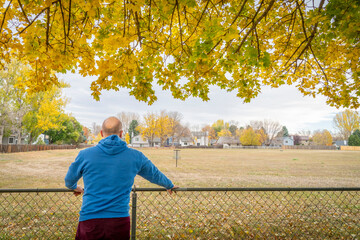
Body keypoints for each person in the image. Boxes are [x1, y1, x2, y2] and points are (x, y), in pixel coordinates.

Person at [65, 116, 178, 240]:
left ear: (101, 133)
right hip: (118, 221)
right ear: (121, 133)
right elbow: (154, 174)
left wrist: (77, 188)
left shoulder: (85, 155)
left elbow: (69, 181)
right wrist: (169, 185)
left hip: (90, 219)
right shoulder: (135, 156)